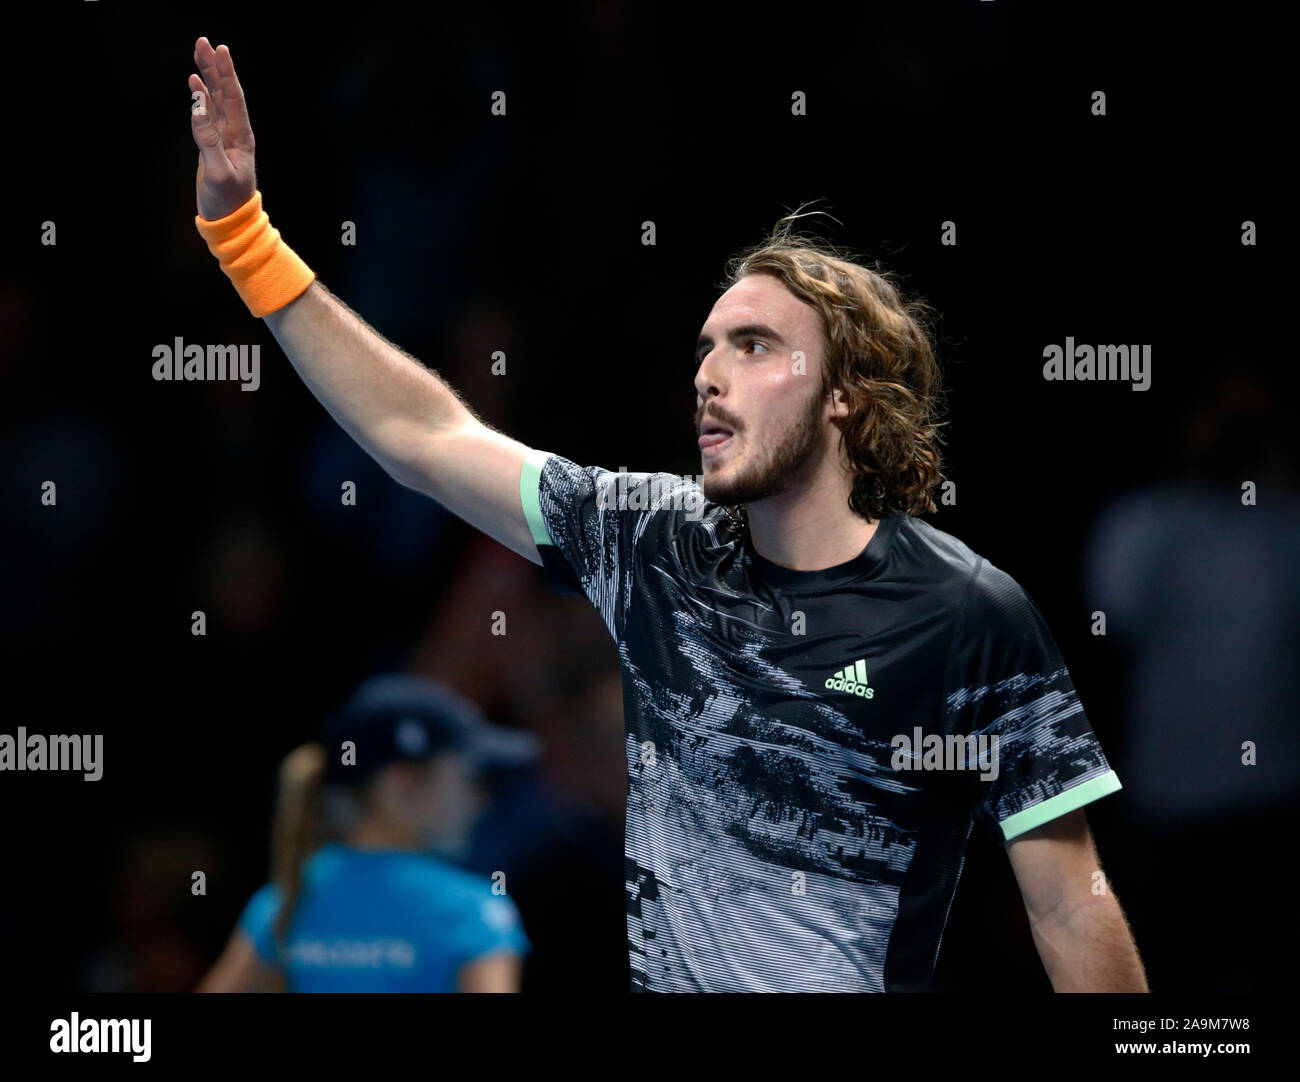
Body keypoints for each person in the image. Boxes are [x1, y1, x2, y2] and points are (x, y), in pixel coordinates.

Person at [186, 36, 1147, 992]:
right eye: (706, 349)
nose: (709, 376)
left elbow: (1069, 900)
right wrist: (247, 241)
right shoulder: (652, 539)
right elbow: (422, 435)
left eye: (756, 346)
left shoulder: (969, 615)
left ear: (846, 394)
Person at [198, 675, 536, 992]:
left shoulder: (282, 901)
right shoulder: (474, 910)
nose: (480, 797)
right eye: (468, 775)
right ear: (402, 783)